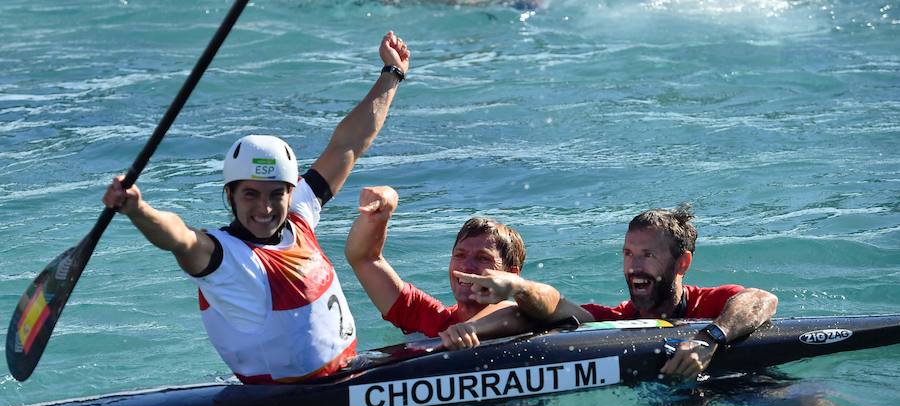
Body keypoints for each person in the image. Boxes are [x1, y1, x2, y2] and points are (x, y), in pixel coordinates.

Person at [101, 32, 411, 384]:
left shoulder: (297, 215)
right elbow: (179, 238)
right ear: (230, 196)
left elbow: (349, 145)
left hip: (349, 374)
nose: (265, 208)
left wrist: (392, 74)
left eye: (276, 194)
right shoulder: (225, 259)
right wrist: (138, 209)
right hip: (296, 404)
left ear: (289, 192)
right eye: (250, 195)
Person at [451, 205, 779, 379]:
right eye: (627, 254)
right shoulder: (617, 321)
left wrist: (711, 339)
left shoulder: (709, 304)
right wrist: (512, 294)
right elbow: (544, 311)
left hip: (745, 378)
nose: (634, 267)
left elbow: (762, 300)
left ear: (682, 263)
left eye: (647, 256)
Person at [344, 185, 527, 347]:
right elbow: (363, 258)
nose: (466, 266)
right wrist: (382, 211)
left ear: (511, 274)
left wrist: (471, 329)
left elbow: (518, 314)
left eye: (483, 258)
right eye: (459, 255)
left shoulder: (526, 318)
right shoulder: (430, 318)